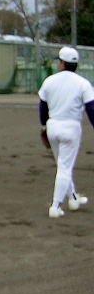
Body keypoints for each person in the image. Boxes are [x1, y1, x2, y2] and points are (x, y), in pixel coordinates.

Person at [38, 46, 94, 218]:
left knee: (62, 165)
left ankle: (73, 197)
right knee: (64, 168)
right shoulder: (83, 83)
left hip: (53, 126)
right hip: (71, 127)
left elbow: (42, 106)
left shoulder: (50, 81)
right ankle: (56, 206)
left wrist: (43, 126)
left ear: (62, 63)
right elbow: (91, 109)